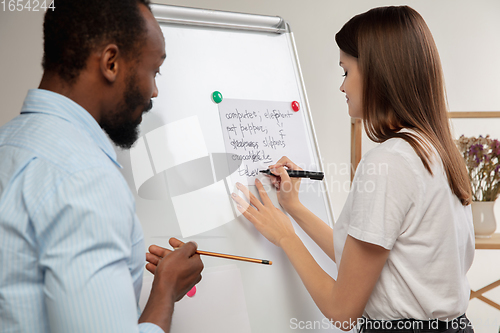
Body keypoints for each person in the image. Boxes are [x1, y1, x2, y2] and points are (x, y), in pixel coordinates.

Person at [229, 6, 475, 332]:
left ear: (377, 73)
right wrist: (294, 209)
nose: (342, 87)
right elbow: (361, 264)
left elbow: (342, 310)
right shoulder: (434, 151)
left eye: (346, 71)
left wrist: (286, 236)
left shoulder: (389, 163)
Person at [0, 1, 203, 332]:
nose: (153, 91)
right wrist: (164, 292)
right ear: (111, 63)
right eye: (154, 71)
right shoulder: (85, 178)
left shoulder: (8, 143)